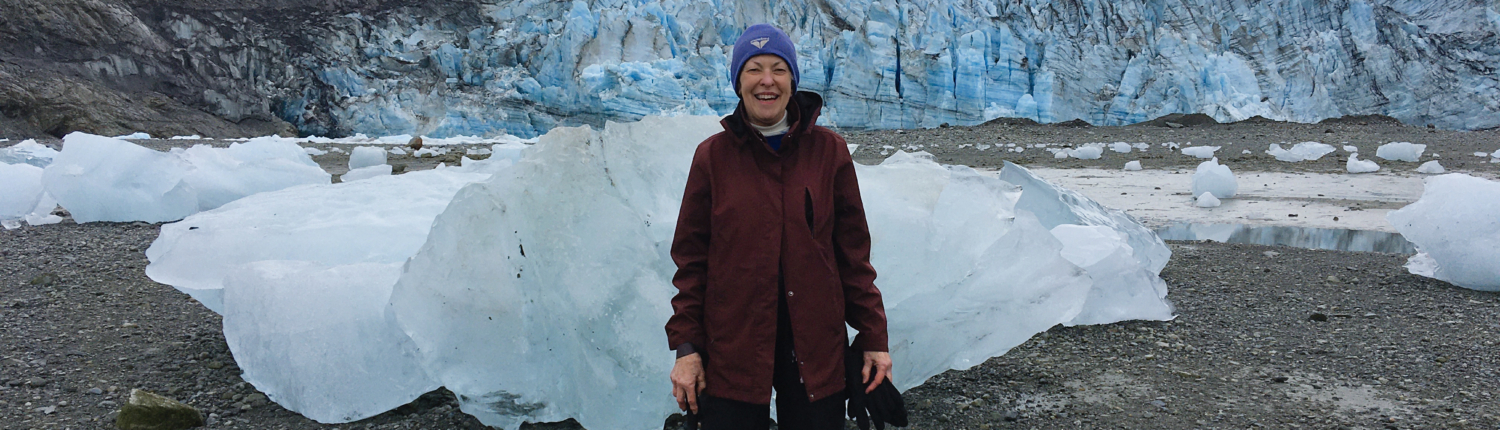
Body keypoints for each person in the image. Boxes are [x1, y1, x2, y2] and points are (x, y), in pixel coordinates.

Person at [664, 23, 893, 430]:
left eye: (778, 69)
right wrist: (686, 348)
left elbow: (852, 255)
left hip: (815, 348)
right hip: (732, 348)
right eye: (753, 69)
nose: (766, 81)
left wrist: (874, 337)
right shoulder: (712, 158)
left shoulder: (829, 152)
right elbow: (691, 261)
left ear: (792, 80)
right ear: (738, 82)